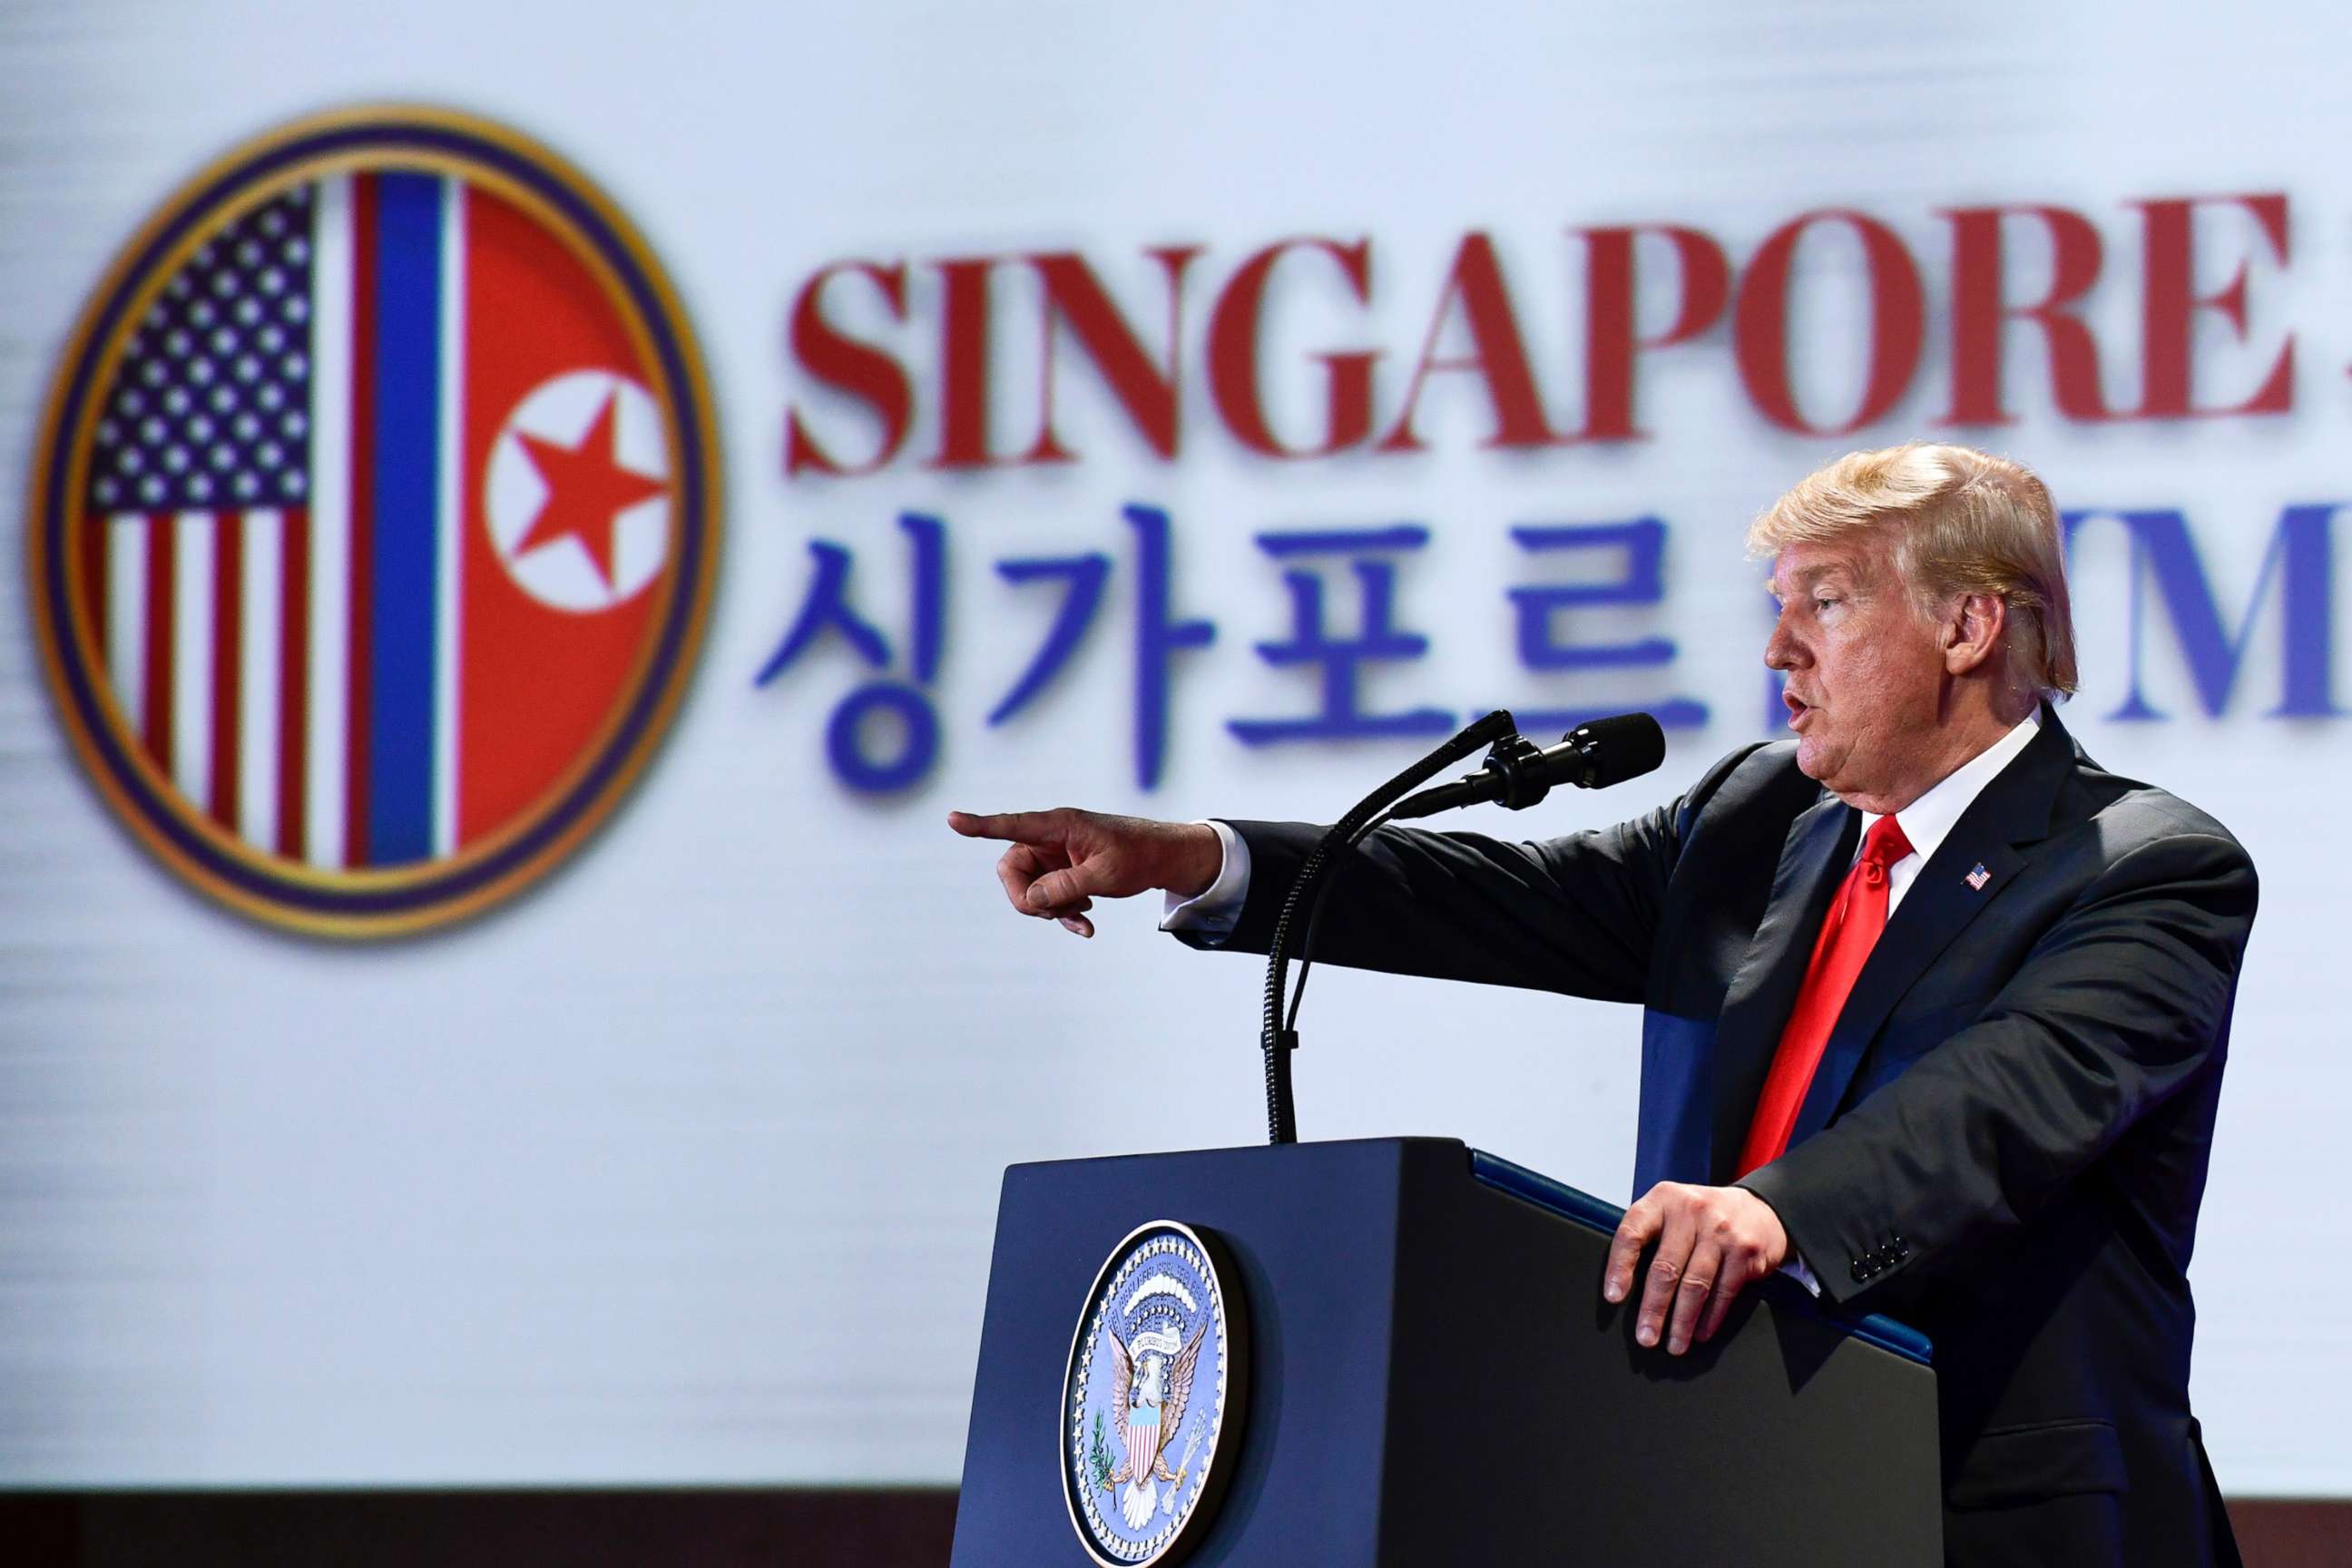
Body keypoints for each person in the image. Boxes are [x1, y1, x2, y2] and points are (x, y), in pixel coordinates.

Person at [948, 443, 2254, 1567]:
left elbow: (2004, 1101)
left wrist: (1772, 1210)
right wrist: (1198, 858)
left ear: (1970, 628)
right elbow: (1506, 898)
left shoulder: (2143, 869)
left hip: (1990, 1510)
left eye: (1827, 604)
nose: (1778, 649)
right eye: (1779, 605)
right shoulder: (1767, 822)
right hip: (1720, 1488)